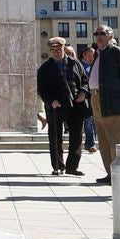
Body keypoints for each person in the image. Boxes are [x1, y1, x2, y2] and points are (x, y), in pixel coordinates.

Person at [36, 37, 87, 177]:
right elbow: (41, 89)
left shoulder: (75, 63)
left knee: (76, 137)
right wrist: (51, 100)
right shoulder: (45, 68)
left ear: (64, 49)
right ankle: (57, 166)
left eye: (59, 50)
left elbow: (84, 81)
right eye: (53, 51)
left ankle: (72, 167)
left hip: (75, 104)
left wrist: (83, 92)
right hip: (55, 106)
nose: (56, 53)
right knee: (55, 137)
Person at [89, 25, 120, 184]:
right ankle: (110, 175)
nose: (99, 36)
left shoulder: (116, 53)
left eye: (103, 33)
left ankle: (118, 176)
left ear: (111, 35)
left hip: (112, 102)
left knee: (115, 141)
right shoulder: (99, 54)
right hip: (96, 99)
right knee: (102, 141)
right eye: (96, 33)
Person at [81, 45, 98, 153]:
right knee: (88, 121)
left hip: (95, 98)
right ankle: (90, 143)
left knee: (94, 121)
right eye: (90, 56)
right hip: (86, 98)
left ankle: (91, 142)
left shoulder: (94, 66)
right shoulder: (81, 67)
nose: (92, 58)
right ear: (84, 55)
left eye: (93, 56)